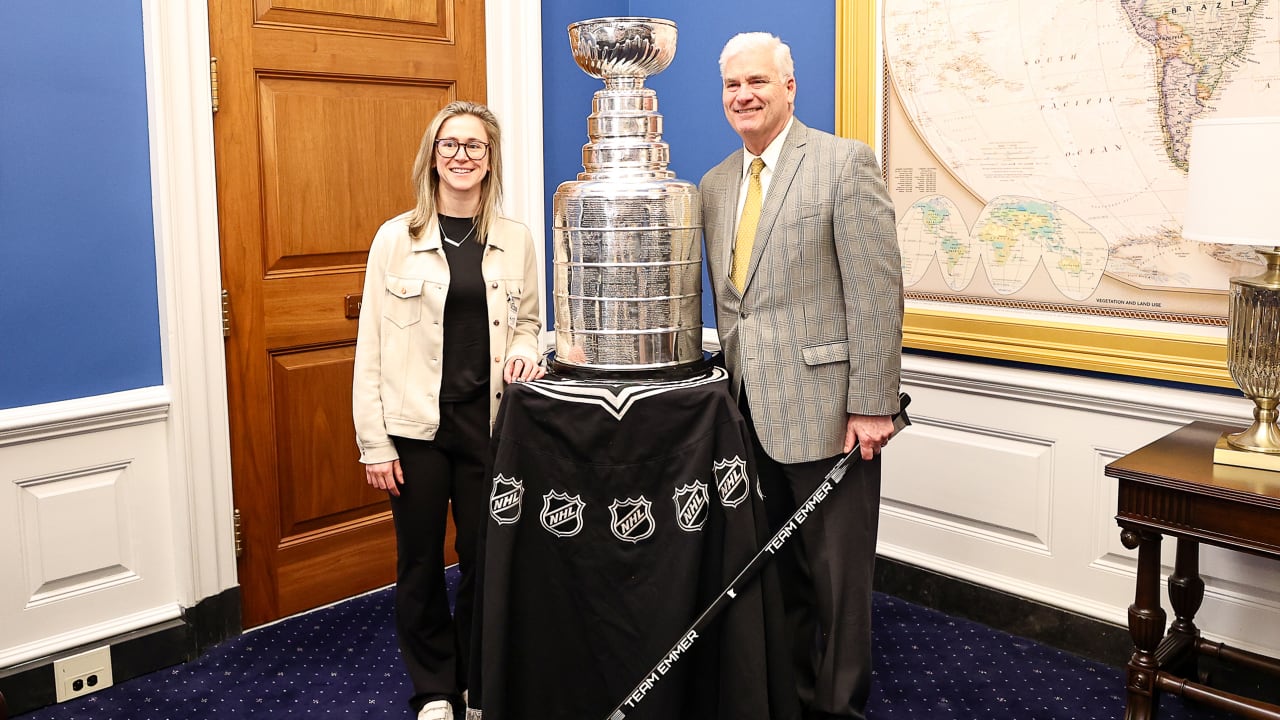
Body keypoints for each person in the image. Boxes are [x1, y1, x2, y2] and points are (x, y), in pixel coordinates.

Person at [699, 33, 904, 720]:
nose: (743, 96)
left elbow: (876, 291)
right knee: (776, 576)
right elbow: (737, 306)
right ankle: (792, 700)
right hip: (748, 413)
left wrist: (872, 406)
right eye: (732, 86)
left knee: (839, 586)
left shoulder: (845, 165)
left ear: (790, 86)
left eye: (757, 81)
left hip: (830, 415)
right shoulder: (715, 184)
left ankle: (840, 707)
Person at [352, 100, 544, 720]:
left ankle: (476, 682)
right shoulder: (396, 238)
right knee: (420, 562)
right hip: (416, 431)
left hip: (487, 428)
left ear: (490, 162)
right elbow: (371, 350)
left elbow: (530, 323)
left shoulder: (513, 239)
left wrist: (523, 351)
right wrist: (373, 443)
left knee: (488, 561)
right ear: (433, 157)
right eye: (450, 145)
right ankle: (435, 688)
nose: (462, 156)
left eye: (475, 147)